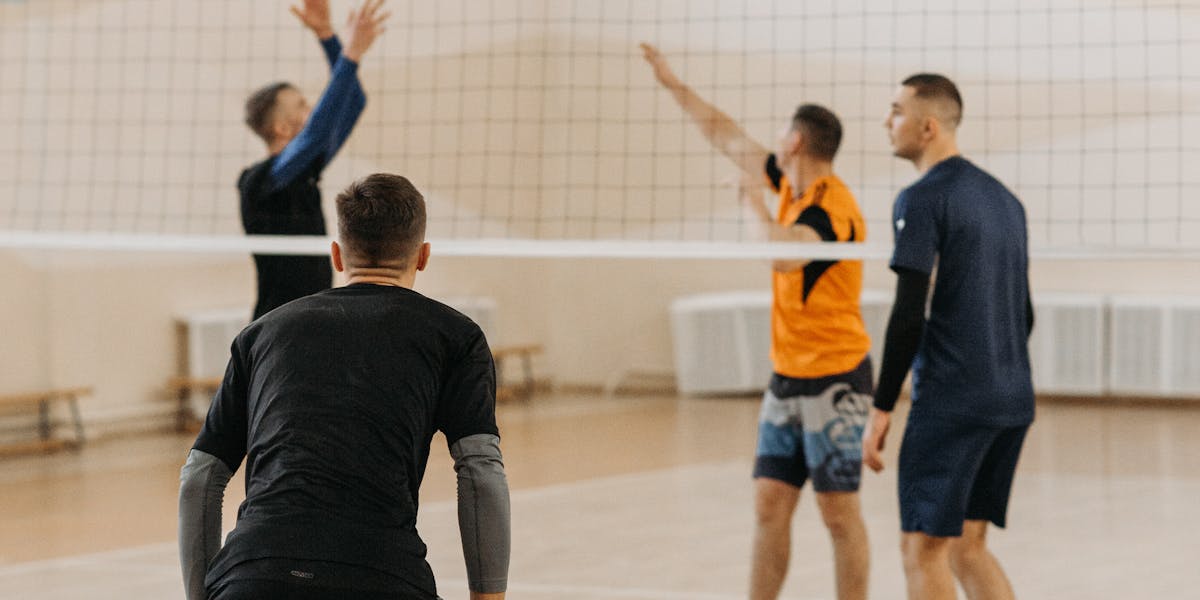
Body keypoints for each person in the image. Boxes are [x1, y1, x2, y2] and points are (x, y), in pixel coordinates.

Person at [179, 173, 510, 600]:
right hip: (382, 576)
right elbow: (481, 470)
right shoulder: (456, 336)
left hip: (252, 576)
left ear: (336, 255)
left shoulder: (261, 333)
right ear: (423, 255)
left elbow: (199, 479)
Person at [641, 44, 873, 600]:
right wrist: (671, 81)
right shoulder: (788, 185)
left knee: (838, 513)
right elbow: (723, 132)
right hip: (787, 374)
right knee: (769, 501)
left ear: (794, 141)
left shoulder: (832, 208)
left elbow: (785, 255)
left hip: (836, 376)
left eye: (779, 135)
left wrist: (751, 204)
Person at [862, 74, 1035, 600]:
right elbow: (1023, 314)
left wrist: (882, 403)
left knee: (922, 548)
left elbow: (909, 312)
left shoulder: (921, 199)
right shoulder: (1006, 201)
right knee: (966, 546)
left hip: (954, 402)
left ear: (928, 126)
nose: (886, 122)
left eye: (895, 111)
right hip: (1011, 398)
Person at [239, 0, 387, 320]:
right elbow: (317, 131)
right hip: (275, 322)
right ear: (281, 128)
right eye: (302, 106)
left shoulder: (304, 170)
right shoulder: (260, 182)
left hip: (312, 314)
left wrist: (326, 35)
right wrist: (350, 54)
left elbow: (354, 102)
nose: (313, 110)